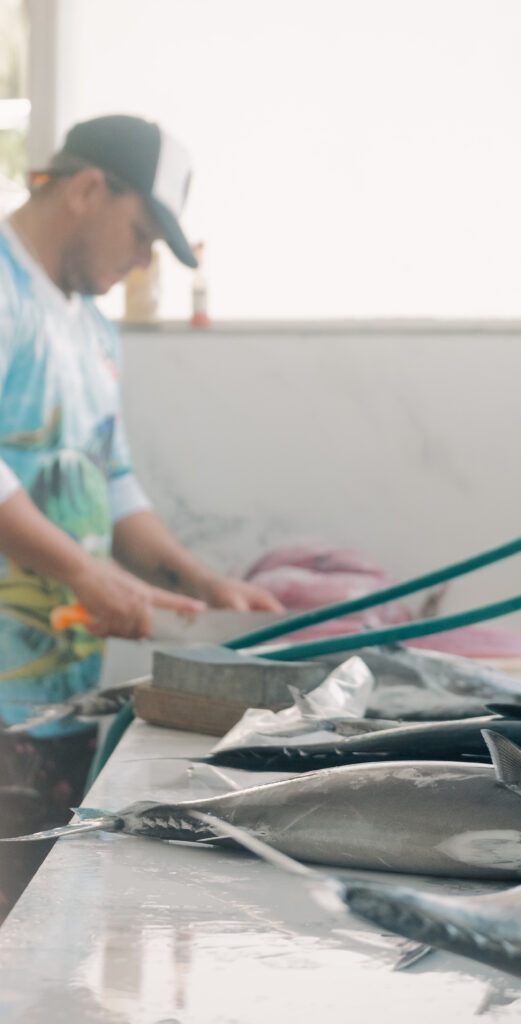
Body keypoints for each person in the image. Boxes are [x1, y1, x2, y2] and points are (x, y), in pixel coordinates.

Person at [0, 114, 282, 916]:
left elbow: (113, 478)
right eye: (141, 233)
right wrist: (85, 573)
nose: (143, 260)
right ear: (88, 189)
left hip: (58, 696)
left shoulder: (94, 329)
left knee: (34, 926)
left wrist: (197, 581)